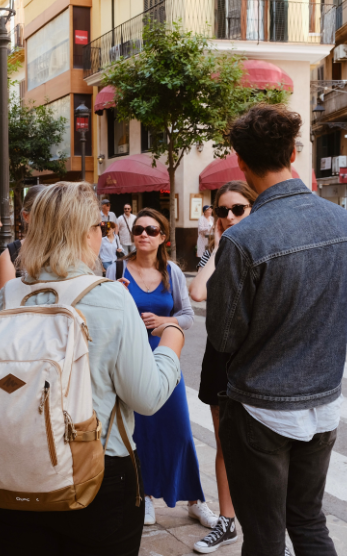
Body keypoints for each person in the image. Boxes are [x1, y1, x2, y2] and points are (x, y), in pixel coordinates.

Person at [0, 181, 184, 555]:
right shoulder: (108, 296)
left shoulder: (8, 296)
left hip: (18, 472)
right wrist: (171, 343)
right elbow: (146, 397)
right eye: (99, 226)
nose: (102, 233)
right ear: (83, 232)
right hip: (98, 472)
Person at [209, 103, 347, 556]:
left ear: (240, 160)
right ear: (294, 151)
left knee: (264, 535)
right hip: (322, 403)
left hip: (260, 409)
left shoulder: (244, 238)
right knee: (309, 521)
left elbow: (222, 337)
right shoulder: (344, 224)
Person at [120, 208, 216, 529]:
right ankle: (145, 496)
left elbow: (188, 315)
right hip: (131, 360)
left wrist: (166, 321)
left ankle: (194, 500)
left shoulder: (171, 271)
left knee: (178, 429)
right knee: (140, 430)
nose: (143, 234)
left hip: (166, 357)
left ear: (163, 237)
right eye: (138, 230)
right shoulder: (117, 270)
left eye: (150, 229)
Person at [186, 180, 256, 553]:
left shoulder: (263, 248)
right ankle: (227, 522)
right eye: (222, 211)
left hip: (255, 360)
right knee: (225, 444)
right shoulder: (216, 254)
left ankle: (271, 532)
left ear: (253, 209)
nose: (229, 217)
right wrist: (218, 244)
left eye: (238, 209)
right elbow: (198, 292)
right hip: (219, 356)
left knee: (263, 448)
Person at [0, 186, 46, 290]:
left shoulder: (70, 250)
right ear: (26, 216)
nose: (48, 218)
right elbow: (6, 302)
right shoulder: (10, 256)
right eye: (41, 213)